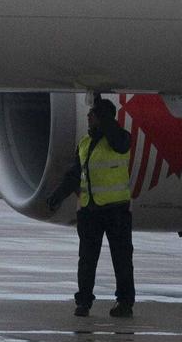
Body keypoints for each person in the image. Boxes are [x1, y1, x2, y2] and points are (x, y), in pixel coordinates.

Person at [46, 97, 136, 318]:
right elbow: (74, 175)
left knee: (122, 259)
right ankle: (83, 302)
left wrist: (105, 117)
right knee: (87, 260)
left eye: (93, 114)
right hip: (90, 211)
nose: (88, 117)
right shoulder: (85, 143)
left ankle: (125, 302)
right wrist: (57, 196)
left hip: (116, 211)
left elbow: (118, 142)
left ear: (103, 118)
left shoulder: (121, 139)